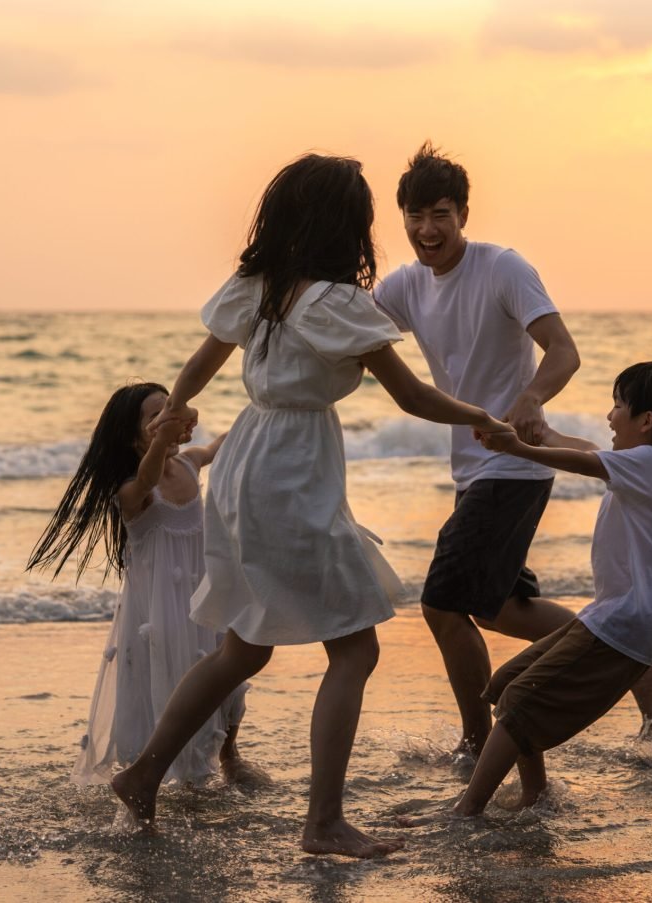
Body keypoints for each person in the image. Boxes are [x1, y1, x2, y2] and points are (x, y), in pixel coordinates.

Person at [109, 153, 513, 858]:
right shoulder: (337, 304)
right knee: (355, 646)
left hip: (246, 465)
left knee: (244, 646)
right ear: (346, 227)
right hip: (293, 471)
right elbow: (413, 396)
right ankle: (322, 821)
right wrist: (486, 415)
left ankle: (144, 774)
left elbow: (201, 363)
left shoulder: (258, 287)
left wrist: (175, 410)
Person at [374, 141, 652, 759]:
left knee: (442, 604)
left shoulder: (502, 268)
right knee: (503, 607)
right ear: (401, 217)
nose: (428, 231)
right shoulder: (404, 286)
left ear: (463, 216)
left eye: (441, 215)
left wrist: (533, 397)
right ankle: (631, 655)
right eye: (415, 217)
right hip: (472, 469)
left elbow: (563, 350)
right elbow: (348, 330)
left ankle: (478, 742)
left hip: (514, 464)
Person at [404, 360, 652, 820]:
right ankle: (537, 798)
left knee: (517, 704)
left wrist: (517, 449)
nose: (610, 416)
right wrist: (535, 433)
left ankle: (467, 808)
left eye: (619, 406)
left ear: (646, 421)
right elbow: (585, 447)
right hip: (610, 617)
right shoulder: (649, 465)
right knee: (505, 687)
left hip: (623, 627)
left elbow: (583, 460)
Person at [26, 382, 251, 788]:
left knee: (230, 674)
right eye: (156, 417)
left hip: (205, 595)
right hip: (160, 612)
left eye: (172, 409)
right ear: (132, 436)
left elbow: (219, 446)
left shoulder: (188, 465)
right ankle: (168, 772)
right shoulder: (131, 490)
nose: (170, 419)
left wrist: (262, 410)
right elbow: (147, 478)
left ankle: (229, 754)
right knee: (171, 682)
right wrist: (164, 434)